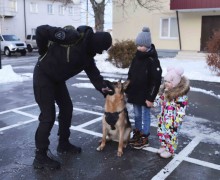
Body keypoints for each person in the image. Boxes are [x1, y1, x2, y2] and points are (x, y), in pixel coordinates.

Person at [33, 24, 115, 169]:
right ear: (97, 43)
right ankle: (40, 157)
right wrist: (43, 52)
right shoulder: (72, 37)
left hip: (57, 80)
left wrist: (104, 88)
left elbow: (95, 76)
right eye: (102, 48)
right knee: (48, 116)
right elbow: (41, 30)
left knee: (67, 108)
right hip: (43, 75)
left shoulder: (88, 56)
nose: (101, 52)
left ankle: (63, 144)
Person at [126, 27, 162, 149]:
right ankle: (137, 133)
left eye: (141, 45)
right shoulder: (136, 57)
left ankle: (145, 137)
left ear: (147, 45)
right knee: (136, 115)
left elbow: (156, 81)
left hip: (146, 95)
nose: (139, 48)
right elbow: (131, 74)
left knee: (145, 115)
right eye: (138, 45)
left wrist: (151, 98)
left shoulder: (152, 60)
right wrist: (127, 88)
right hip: (135, 93)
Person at [154, 67, 190, 158]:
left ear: (176, 83)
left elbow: (181, 110)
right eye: (166, 81)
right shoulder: (166, 92)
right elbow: (160, 100)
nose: (166, 83)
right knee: (161, 132)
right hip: (163, 117)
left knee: (171, 135)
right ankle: (164, 146)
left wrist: (177, 121)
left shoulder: (180, 96)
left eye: (169, 82)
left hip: (173, 121)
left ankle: (170, 150)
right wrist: (155, 102)